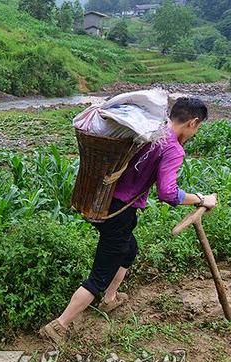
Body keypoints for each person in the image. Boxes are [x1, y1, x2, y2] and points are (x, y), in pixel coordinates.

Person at [39, 98, 217, 345]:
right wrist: (201, 198)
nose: (195, 133)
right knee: (99, 276)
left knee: (129, 249)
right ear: (193, 122)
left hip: (99, 202)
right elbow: (168, 193)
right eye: (197, 128)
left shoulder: (149, 131)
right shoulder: (172, 148)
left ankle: (110, 299)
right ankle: (59, 325)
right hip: (118, 214)